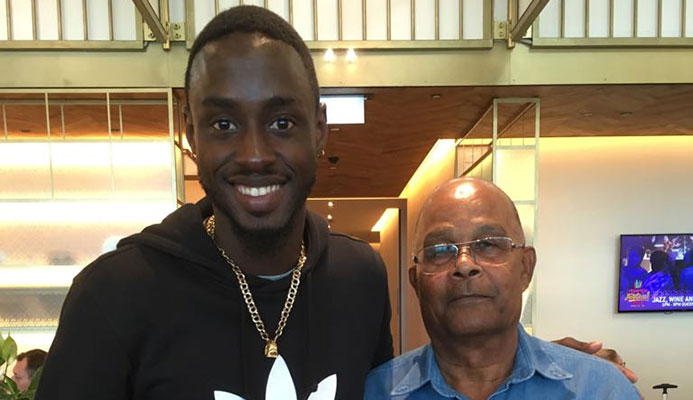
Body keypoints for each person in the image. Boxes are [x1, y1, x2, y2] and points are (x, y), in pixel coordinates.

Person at [36, 6, 634, 400]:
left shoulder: (356, 276)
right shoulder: (115, 293)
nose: (253, 153)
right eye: (222, 123)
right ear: (191, 135)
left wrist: (558, 366)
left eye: (281, 120)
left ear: (318, 130)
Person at [364, 178, 641, 399]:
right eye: (439, 250)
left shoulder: (599, 390)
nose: (464, 265)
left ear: (525, 268)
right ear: (416, 282)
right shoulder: (372, 392)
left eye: (488, 244)